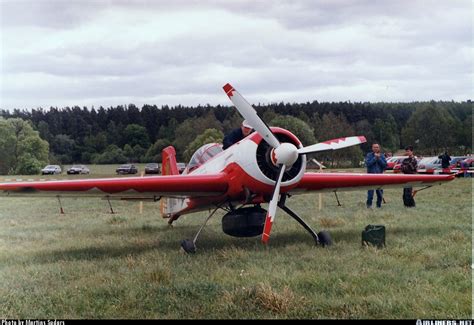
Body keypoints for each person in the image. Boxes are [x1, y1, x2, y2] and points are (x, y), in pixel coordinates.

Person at [365, 143, 387, 208]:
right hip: (370, 177)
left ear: (379, 148)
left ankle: (378, 206)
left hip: (380, 177)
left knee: (380, 194)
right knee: (370, 194)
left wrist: (379, 158)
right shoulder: (369, 155)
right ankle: (369, 206)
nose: (376, 148)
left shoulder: (382, 155)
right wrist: (375, 158)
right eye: (374, 147)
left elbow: (385, 165)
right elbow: (368, 164)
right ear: (372, 148)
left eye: (377, 147)